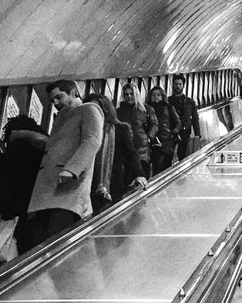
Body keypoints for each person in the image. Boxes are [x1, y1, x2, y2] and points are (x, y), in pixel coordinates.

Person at [18, 80, 103, 252]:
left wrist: (71, 169)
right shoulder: (63, 117)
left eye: (59, 97)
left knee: (58, 243)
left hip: (67, 189)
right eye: (52, 101)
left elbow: (92, 140)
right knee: (42, 244)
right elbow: (56, 147)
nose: (56, 104)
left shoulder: (88, 109)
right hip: (48, 189)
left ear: (73, 93)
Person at [85, 93, 146, 212]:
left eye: (98, 108)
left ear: (106, 109)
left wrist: (139, 174)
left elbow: (131, 154)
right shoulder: (83, 130)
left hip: (112, 182)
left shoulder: (120, 129)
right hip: (87, 182)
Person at [117, 82, 158, 175]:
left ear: (136, 94)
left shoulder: (145, 109)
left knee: (143, 176)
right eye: (126, 94)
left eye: (131, 94)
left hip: (142, 150)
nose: (129, 96)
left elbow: (154, 124)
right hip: (126, 151)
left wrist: (148, 138)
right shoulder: (119, 111)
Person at [146, 84, 180, 175]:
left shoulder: (168, 107)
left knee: (164, 165)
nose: (155, 97)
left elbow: (177, 122)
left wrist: (174, 132)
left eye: (158, 95)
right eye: (153, 95)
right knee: (156, 166)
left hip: (166, 142)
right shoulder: (146, 109)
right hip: (153, 142)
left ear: (162, 96)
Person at [168, 74, 202, 162]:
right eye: (176, 84)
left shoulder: (190, 102)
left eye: (180, 84)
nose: (178, 86)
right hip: (172, 131)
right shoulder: (168, 101)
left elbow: (195, 118)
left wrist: (197, 134)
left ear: (183, 85)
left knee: (183, 155)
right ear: (173, 85)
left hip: (185, 132)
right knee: (169, 155)